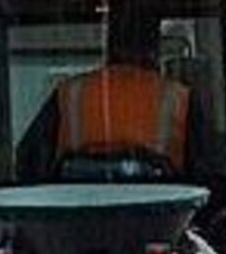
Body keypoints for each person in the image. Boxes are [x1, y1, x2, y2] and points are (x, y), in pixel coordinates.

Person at [15, 33, 214, 182]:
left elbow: (29, 161)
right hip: (161, 226)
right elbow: (205, 174)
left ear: (109, 50)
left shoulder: (70, 93)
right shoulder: (179, 98)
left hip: (75, 223)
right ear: (153, 51)